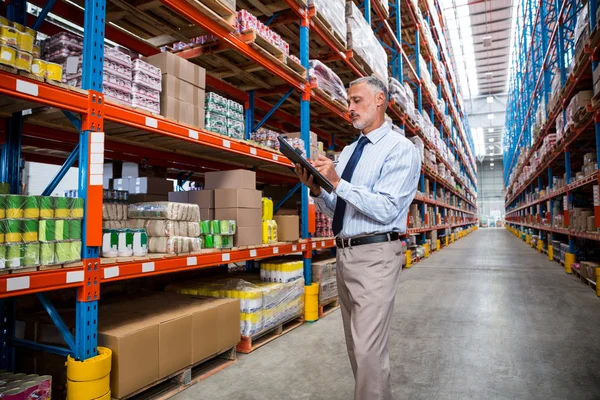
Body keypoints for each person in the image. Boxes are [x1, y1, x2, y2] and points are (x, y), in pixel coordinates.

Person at [295, 75, 421, 400]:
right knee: (358, 349)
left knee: (368, 352)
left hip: (376, 256)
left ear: (380, 100)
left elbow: (386, 206)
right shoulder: (350, 151)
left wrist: (337, 182)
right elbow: (341, 207)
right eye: (348, 102)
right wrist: (318, 189)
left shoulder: (401, 150)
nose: (349, 108)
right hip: (345, 255)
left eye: (357, 100)